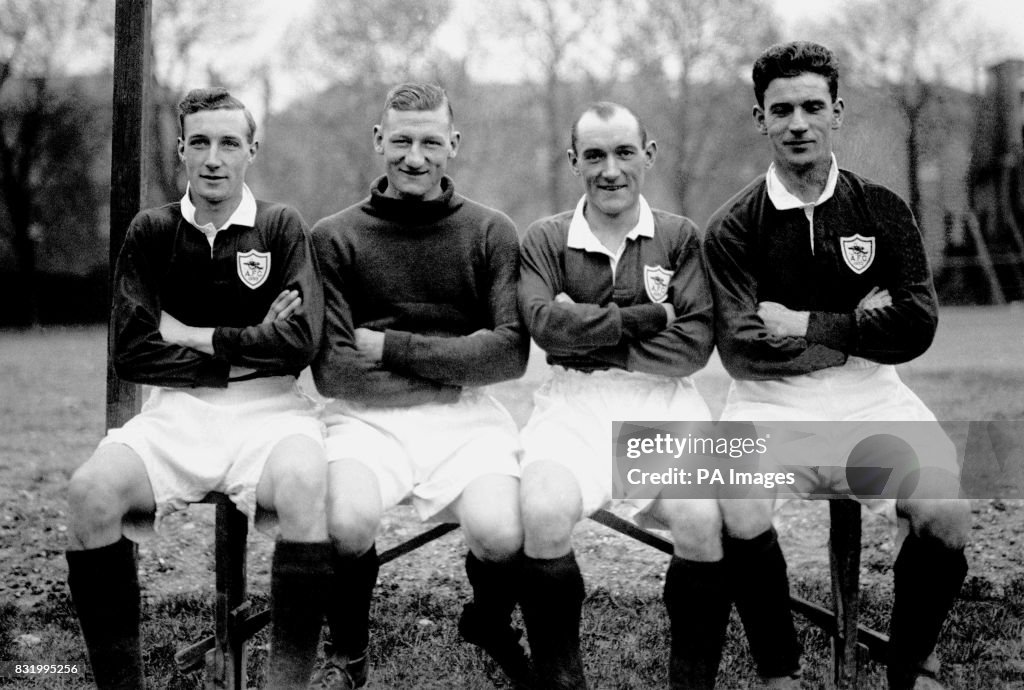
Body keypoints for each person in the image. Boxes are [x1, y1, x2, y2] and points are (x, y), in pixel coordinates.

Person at [703, 41, 971, 690]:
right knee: (735, 503)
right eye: (783, 109)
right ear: (760, 118)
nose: (798, 122)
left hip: (872, 393)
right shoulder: (733, 226)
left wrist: (807, 327)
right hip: (769, 402)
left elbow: (917, 326)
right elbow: (742, 349)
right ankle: (780, 673)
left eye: (813, 107)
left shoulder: (882, 209)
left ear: (837, 112)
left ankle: (911, 667)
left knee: (945, 511)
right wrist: (860, 326)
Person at [66, 87, 331, 689]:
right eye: (201, 143)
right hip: (176, 415)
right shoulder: (153, 231)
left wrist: (194, 335)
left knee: (307, 484)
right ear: (182, 149)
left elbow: (302, 344)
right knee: (88, 495)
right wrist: (247, 344)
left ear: (251, 151)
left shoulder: (280, 225)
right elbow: (133, 351)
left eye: (229, 143)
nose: (214, 158)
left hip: (271, 411)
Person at [517, 101, 747, 690]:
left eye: (624, 152)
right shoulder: (545, 238)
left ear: (649, 155)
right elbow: (545, 330)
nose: (610, 170)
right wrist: (653, 316)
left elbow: (694, 344)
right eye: (594, 155)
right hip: (574, 404)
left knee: (700, 519)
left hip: (663, 402)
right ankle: (562, 683)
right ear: (574, 162)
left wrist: (589, 333)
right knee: (541, 511)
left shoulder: (677, 236)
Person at [310, 82, 530, 689]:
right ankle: (347, 654)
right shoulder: (333, 235)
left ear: (453, 145)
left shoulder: (491, 231)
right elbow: (335, 370)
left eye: (431, 142)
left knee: (503, 533)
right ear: (378, 140)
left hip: (468, 421)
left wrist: (394, 349)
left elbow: (509, 354)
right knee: (347, 522)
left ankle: (488, 621)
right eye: (401, 140)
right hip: (364, 418)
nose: (415, 156)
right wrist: (451, 369)